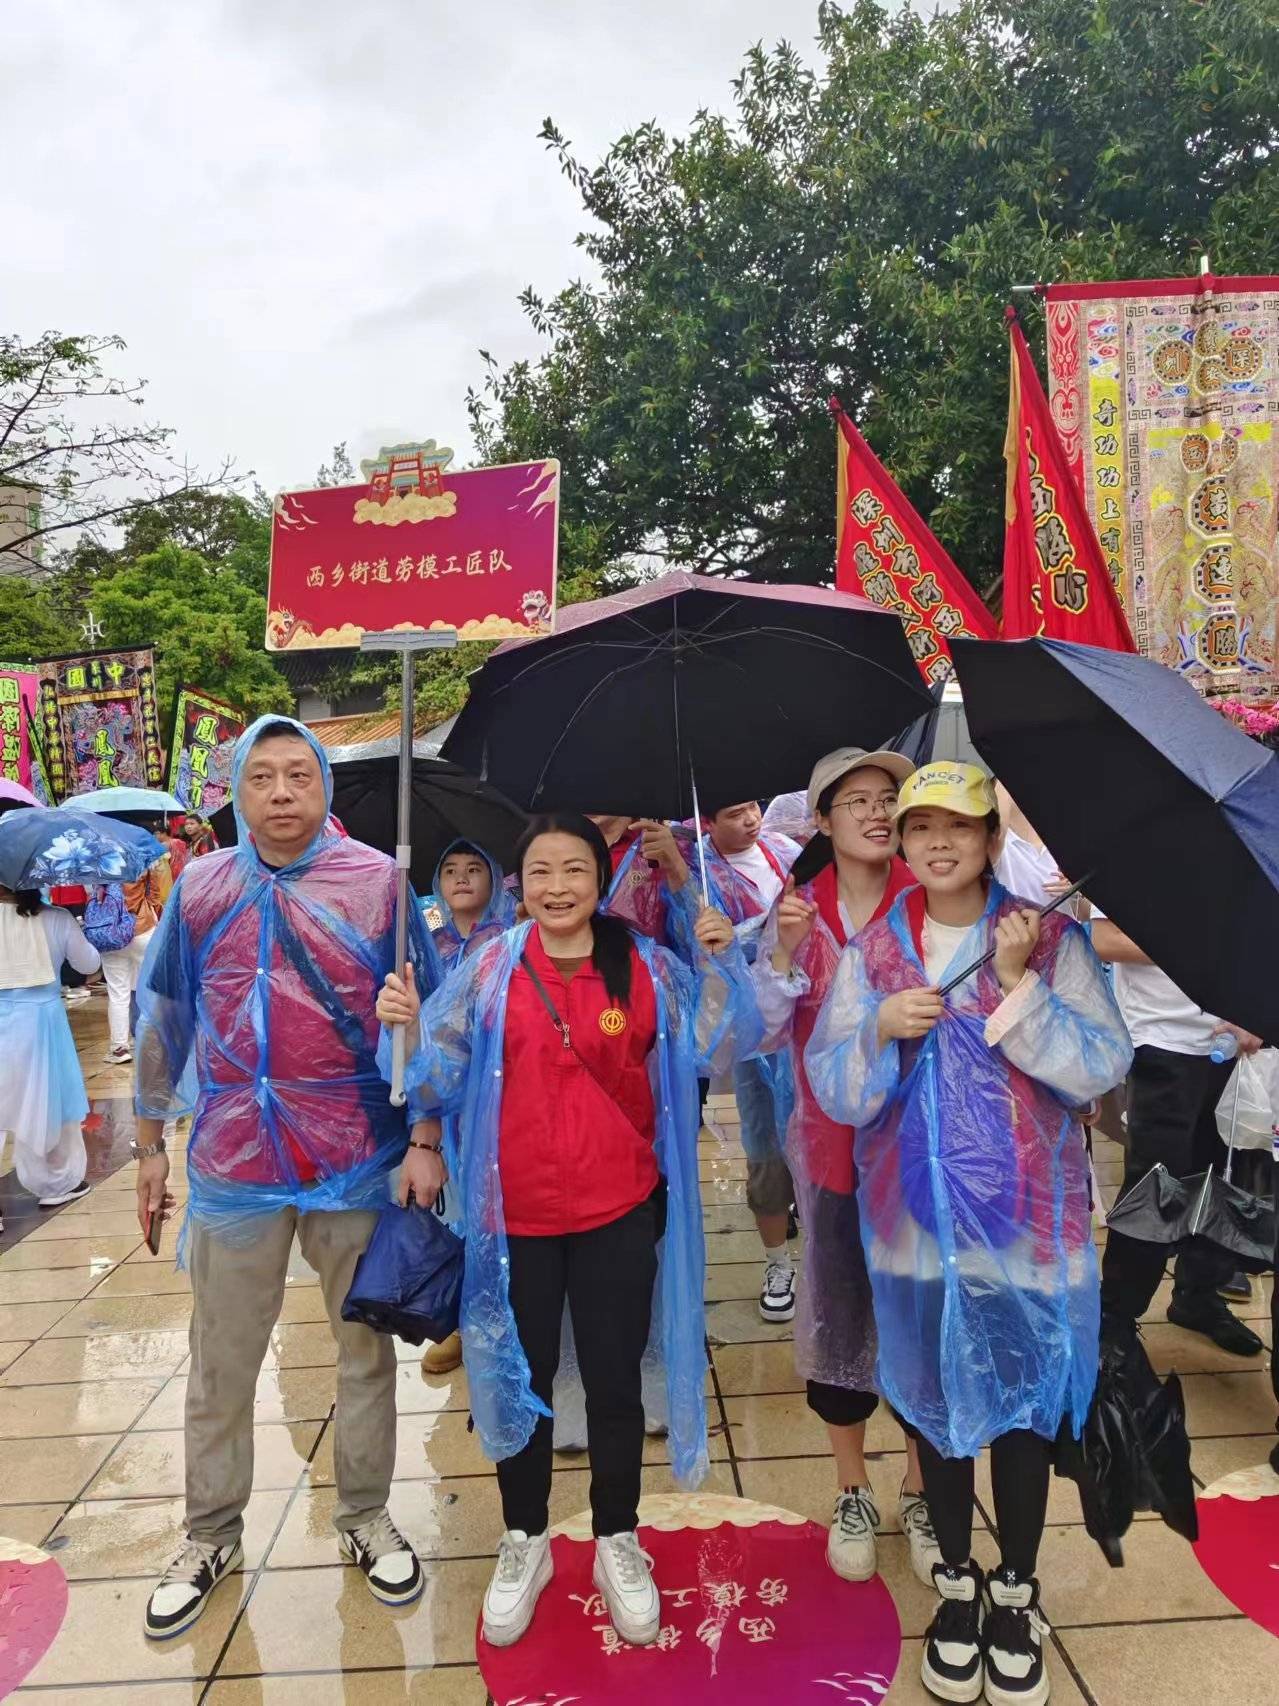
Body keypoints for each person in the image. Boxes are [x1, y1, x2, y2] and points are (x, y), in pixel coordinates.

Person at [377, 812, 760, 1651]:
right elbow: (432, 1073)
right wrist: (403, 1022)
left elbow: (718, 1043)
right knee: (519, 1380)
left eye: (575, 870)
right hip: (512, 1218)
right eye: (541, 871)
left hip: (617, 1210)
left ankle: (616, 1537)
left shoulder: (646, 964)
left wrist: (724, 960)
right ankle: (524, 1539)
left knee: (617, 1382)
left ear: (599, 878)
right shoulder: (486, 969)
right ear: (519, 883)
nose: (557, 887)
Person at [806, 763, 1131, 1706]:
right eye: (918, 829)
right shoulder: (876, 953)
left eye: (959, 826)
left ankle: (1016, 1589)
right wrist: (874, 1027)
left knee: (1022, 1409)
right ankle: (955, 1582)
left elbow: (1097, 1065)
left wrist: (1017, 988)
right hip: (910, 1224)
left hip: (1025, 1227)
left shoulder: (1049, 937)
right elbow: (834, 1084)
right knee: (935, 1407)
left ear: (992, 842)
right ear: (899, 846)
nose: (936, 843)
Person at [132, 716, 445, 1641]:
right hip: (234, 1161)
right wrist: (148, 1147)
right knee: (222, 1361)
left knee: (362, 1354)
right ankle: (208, 1532)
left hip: (354, 1155)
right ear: (237, 790)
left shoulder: (381, 885)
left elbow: (424, 1023)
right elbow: (166, 1022)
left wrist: (424, 1129)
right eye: (260, 776)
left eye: (296, 775)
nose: (278, 793)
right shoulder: (199, 887)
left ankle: (363, 1515)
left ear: (322, 787)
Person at [752, 748, 941, 1588]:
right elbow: (755, 1036)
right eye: (854, 801)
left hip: (923, 1153)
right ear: (821, 820)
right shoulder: (795, 911)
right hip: (828, 1152)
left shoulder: (931, 900)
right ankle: (852, 1488)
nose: (874, 812)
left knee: (921, 1321)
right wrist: (780, 959)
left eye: (887, 799)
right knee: (837, 1316)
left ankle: (923, 1486)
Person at [1092, 914, 1265, 1357]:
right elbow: (1103, 938)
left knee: (1225, 1174)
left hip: (1240, 1037)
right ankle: (1117, 1314)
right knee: (1156, 1184)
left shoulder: (1245, 853)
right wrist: (1200, 938)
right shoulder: (1138, 849)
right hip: (1162, 1037)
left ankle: (1197, 1294)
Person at [699, 799, 801, 1322]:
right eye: (733, 812)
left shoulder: (786, 851)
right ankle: (777, 1261)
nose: (749, 820)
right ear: (708, 822)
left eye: (752, 808)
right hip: (753, 1035)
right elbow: (700, 959)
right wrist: (753, 935)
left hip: (804, 1021)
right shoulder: (699, 874)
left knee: (819, 1147)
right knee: (764, 1148)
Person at [0, 884, 99, 1230]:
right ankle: (56, 1182)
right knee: (49, 1104)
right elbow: (88, 962)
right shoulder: (55, 918)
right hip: (40, 1022)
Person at [100, 855, 168, 1067]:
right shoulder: (141, 860)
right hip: (142, 929)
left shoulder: (99, 863)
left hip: (110, 933)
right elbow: (155, 894)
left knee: (118, 993)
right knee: (150, 987)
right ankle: (157, 1040)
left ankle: (119, 1047)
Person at [429, 839, 516, 970]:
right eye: (451, 871)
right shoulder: (429, 946)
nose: (461, 879)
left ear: (494, 881)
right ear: (439, 883)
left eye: (473, 870)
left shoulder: (509, 940)